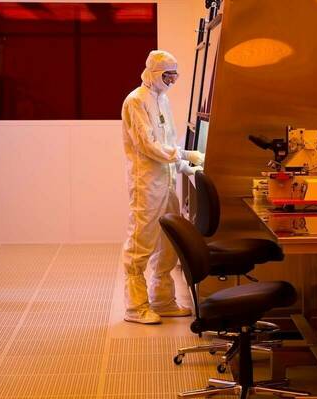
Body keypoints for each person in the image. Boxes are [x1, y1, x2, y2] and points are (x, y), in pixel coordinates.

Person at [121, 50, 205, 324]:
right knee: (141, 243)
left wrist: (184, 164)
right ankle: (135, 308)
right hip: (146, 183)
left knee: (168, 241)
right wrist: (182, 155)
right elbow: (147, 146)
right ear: (155, 73)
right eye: (167, 75)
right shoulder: (136, 101)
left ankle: (162, 300)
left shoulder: (162, 99)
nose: (171, 80)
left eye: (175, 76)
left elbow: (167, 139)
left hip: (166, 181)